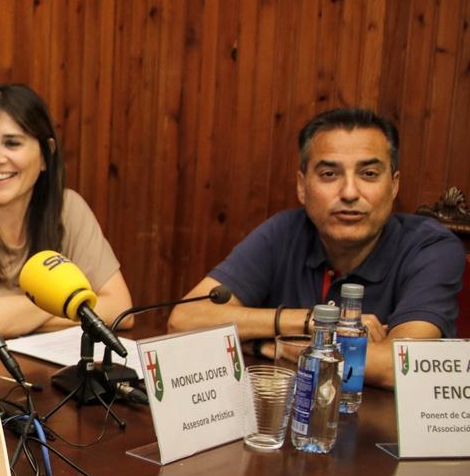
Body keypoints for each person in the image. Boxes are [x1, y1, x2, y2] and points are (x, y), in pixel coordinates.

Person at [168, 107, 464, 388]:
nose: (349, 192)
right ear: (301, 186)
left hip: (383, 436)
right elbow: (184, 321)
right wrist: (310, 321)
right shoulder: (284, 231)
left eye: (369, 174)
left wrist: (273, 346)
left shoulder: (431, 248)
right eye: (329, 174)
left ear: (394, 185)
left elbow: (399, 368)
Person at [0, 84, 133, 336]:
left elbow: (120, 308)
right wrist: (74, 302)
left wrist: (11, 310)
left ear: (45, 155)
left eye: (12, 143)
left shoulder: (69, 207)